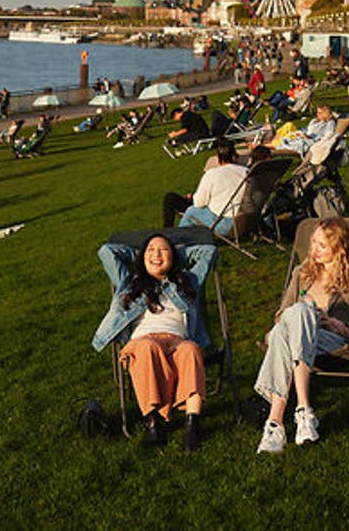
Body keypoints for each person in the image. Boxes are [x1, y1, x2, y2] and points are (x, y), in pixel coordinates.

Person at [255, 218, 349, 453]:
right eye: (313, 243)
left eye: (322, 245)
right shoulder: (302, 272)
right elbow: (281, 314)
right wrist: (305, 315)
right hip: (298, 334)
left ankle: (274, 425)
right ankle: (303, 410)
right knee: (298, 313)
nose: (314, 250)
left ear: (339, 247)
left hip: (333, 339)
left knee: (288, 329)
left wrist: (336, 324)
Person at [91, 232, 214, 450]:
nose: (157, 254)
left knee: (191, 350)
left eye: (163, 250)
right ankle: (153, 422)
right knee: (148, 348)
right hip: (143, 340)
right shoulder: (129, 281)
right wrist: (143, 258)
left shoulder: (188, 281)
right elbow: (106, 251)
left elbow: (209, 252)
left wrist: (176, 255)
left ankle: (193, 424)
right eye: (151, 250)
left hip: (178, 340)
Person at [161, 140, 250, 233]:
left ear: (219, 159)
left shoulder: (212, 174)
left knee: (191, 211)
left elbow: (198, 203)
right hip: (248, 220)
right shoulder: (247, 172)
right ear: (235, 157)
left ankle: (176, 239)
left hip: (228, 224)